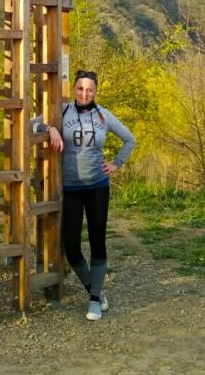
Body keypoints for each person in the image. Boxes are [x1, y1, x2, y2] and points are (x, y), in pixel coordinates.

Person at [36, 68, 136, 321]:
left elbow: (129, 139)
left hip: (97, 187)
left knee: (97, 240)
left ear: (95, 91)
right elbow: (30, 123)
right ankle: (97, 291)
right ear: (75, 90)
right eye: (80, 89)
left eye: (89, 89)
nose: (84, 93)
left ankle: (93, 300)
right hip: (70, 188)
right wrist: (50, 128)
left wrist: (116, 163)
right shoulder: (64, 110)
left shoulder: (103, 115)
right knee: (71, 246)